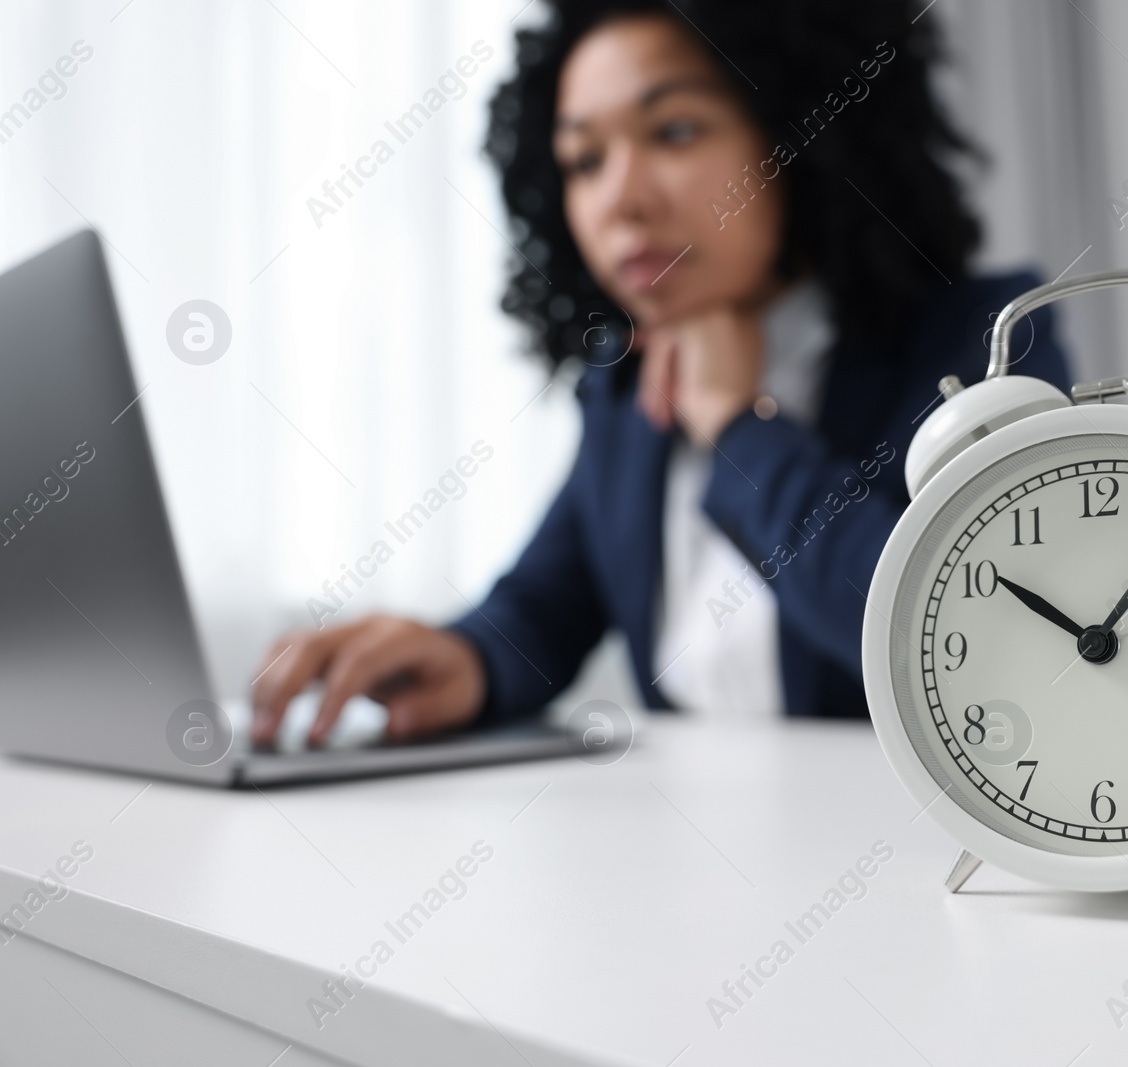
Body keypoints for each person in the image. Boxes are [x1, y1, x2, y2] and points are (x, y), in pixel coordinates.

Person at [250, 0, 1071, 746]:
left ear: (798, 132)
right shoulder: (623, 387)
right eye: (583, 161)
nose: (620, 199)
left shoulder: (986, 341)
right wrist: (459, 656)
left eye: (674, 131)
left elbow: (952, 631)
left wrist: (737, 426)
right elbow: (542, 609)